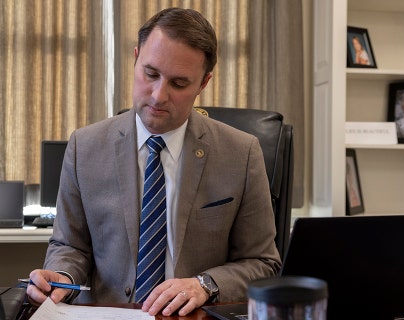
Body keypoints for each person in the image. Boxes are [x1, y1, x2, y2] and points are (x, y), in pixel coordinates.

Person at [26, 7, 281, 317]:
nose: (159, 95)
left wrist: (206, 284)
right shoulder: (85, 147)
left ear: (203, 83)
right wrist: (62, 277)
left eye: (179, 83)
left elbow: (263, 264)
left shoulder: (241, 153)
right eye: (150, 74)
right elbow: (70, 247)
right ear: (136, 59)